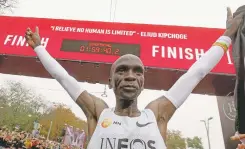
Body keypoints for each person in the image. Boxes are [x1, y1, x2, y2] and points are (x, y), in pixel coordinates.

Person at [25, 7, 244, 149]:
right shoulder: (98, 112)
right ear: (110, 82)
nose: (130, 76)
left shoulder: (158, 113)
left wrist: (228, 34)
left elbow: (197, 72)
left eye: (137, 71)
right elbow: (62, 77)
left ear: (143, 82)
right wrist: (39, 48)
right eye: (121, 70)